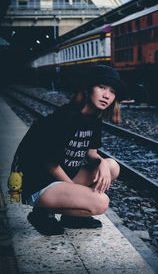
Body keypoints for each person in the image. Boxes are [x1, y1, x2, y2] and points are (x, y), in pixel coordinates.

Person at [10, 65, 127, 235]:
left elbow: (92, 154)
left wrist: (102, 163)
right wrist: (76, 190)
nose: (107, 95)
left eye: (112, 91)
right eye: (101, 87)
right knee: (101, 202)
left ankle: (72, 217)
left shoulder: (94, 118)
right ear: (87, 89)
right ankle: (41, 214)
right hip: (40, 183)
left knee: (112, 166)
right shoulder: (65, 118)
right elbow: (51, 165)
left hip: (62, 176)